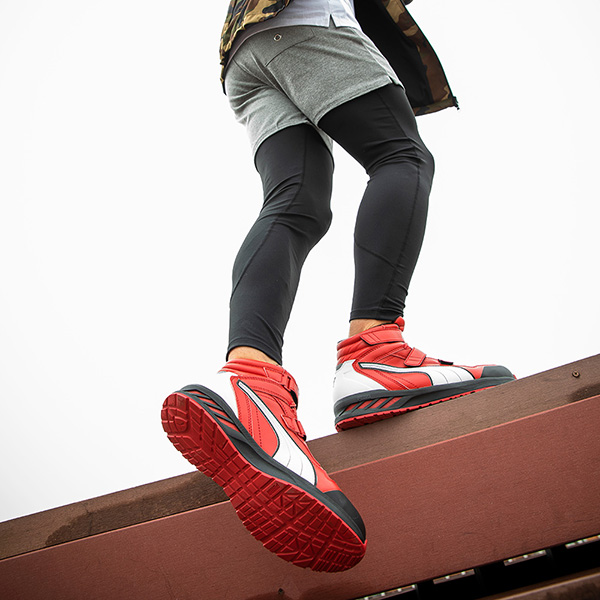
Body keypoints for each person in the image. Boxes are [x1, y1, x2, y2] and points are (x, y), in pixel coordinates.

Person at [161, 0, 514, 573]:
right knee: (400, 155)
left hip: (244, 48)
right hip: (308, 17)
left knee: (295, 203)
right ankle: (375, 352)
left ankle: (252, 380)